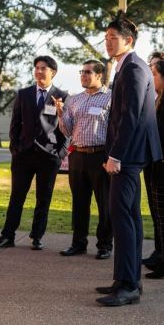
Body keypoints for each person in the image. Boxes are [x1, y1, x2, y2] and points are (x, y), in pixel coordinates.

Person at [95, 18, 162, 307]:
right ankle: (126, 280)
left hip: (128, 156)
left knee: (122, 219)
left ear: (128, 40)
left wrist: (115, 156)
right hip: (131, 155)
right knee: (130, 218)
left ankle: (129, 286)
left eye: (113, 37)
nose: (108, 41)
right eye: (106, 37)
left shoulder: (134, 68)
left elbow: (131, 116)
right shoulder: (125, 67)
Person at [0, 56, 69, 251]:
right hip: (23, 155)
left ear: (53, 72)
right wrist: (15, 148)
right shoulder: (23, 94)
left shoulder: (63, 96)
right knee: (16, 197)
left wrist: (60, 153)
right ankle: (7, 236)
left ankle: (37, 236)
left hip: (49, 157)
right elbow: (15, 124)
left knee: (44, 198)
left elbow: (66, 128)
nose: (39, 71)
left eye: (43, 68)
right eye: (37, 68)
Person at [55, 60, 112, 259]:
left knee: (104, 203)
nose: (83, 75)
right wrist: (61, 114)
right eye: (82, 72)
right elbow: (68, 130)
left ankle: (104, 245)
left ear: (99, 75)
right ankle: (78, 243)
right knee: (79, 202)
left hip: (100, 156)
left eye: (87, 72)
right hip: (77, 155)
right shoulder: (74, 100)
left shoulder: (110, 98)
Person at [143, 60, 164, 278]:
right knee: (158, 216)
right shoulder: (156, 100)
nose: (151, 79)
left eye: (154, 74)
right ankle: (160, 256)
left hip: (161, 166)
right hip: (154, 165)